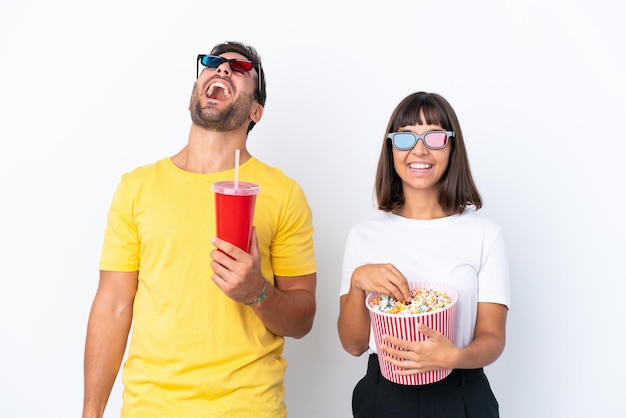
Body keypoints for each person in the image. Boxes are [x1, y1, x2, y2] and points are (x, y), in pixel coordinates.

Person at [82, 41, 317, 418]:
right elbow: (113, 305)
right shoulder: (137, 188)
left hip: (249, 407)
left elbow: (303, 318)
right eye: (212, 63)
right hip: (151, 407)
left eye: (240, 68)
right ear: (195, 91)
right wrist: (90, 413)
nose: (222, 69)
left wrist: (256, 292)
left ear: (256, 111)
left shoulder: (283, 193)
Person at [337, 91, 510, 417]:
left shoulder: (485, 234)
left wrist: (454, 358)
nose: (419, 149)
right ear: (391, 149)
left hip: (461, 394)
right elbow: (354, 345)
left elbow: (493, 338)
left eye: (434, 137)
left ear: (452, 146)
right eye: (405, 138)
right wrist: (358, 282)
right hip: (384, 397)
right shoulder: (364, 236)